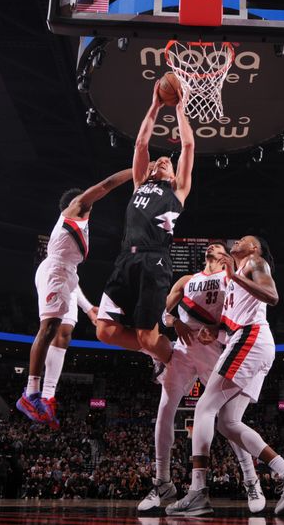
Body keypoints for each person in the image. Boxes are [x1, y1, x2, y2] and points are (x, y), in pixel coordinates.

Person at [165, 236, 284, 517]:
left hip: (251, 338)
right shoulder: (232, 279)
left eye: (244, 239)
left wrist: (235, 274)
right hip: (251, 341)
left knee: (203, 407)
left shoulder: (255, 263)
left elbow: (272, 296)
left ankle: (198, 491)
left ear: (254, 247)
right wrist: (214, 329)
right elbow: (229, 321)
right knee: (228, 422)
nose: (236, 241)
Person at [138, 242, 265, 513]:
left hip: (213, 349)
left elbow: (236, 313)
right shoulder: (187, 280)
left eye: (218, 245)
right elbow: (165, 314)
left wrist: (216, 329)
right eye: (211, 245)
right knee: (165, 407)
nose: (212, 246)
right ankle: (162, 481)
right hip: (183, 349)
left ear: (225, 257)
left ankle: (251, 480)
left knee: (228, 421)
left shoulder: (230, 277)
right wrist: (177, 322)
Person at [16, 167, 132, 427]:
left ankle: (47, 397)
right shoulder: (74, 209)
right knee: (49, 328)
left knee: (65, 332)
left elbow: (73, 277)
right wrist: (137, 171)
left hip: (67, 274)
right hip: (54, 271)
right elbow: (107, 183)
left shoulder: (83, 226)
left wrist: (89, 307)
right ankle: (30, 392)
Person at [96, 85, 195, 367]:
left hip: (154, 260)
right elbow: (141, 144)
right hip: (126, 257)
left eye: (167, 162)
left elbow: (187, 146)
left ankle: (176, 364)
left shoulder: (178, 191)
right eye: (158, 161)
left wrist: (178, 109)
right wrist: (154, 105)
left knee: (146, 336)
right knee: (105, 331)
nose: (162, 160)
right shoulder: (140, 184)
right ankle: (155, 353)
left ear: (175, 175)